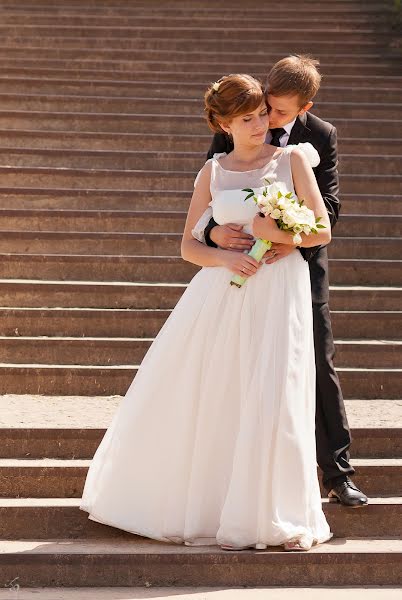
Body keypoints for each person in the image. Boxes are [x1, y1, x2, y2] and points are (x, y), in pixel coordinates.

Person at [80, 73, 333, 552]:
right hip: (222, 289)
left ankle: (264, 513)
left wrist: (281, 235)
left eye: (262, 114)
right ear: (223, 123)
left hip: (279, 287)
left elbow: (321, 229)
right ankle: (210, 505)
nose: (260, 125)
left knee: (274, 391)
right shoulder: (212, 172)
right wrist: (224, 255)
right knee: (217, 389)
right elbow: (187, 247)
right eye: (248, 118)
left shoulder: (293, 158)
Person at [195, 55, 368, 507]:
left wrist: (291, 238)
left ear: (305, 107)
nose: (268, 121)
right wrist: (214, 234)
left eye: (281, 113)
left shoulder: (319, 138)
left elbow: (328, 207)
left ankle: (336, 473)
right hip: (238, 267)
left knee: (316, 362)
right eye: (266, 108)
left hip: (300, 268)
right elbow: (215, 197)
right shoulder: (241, 118)